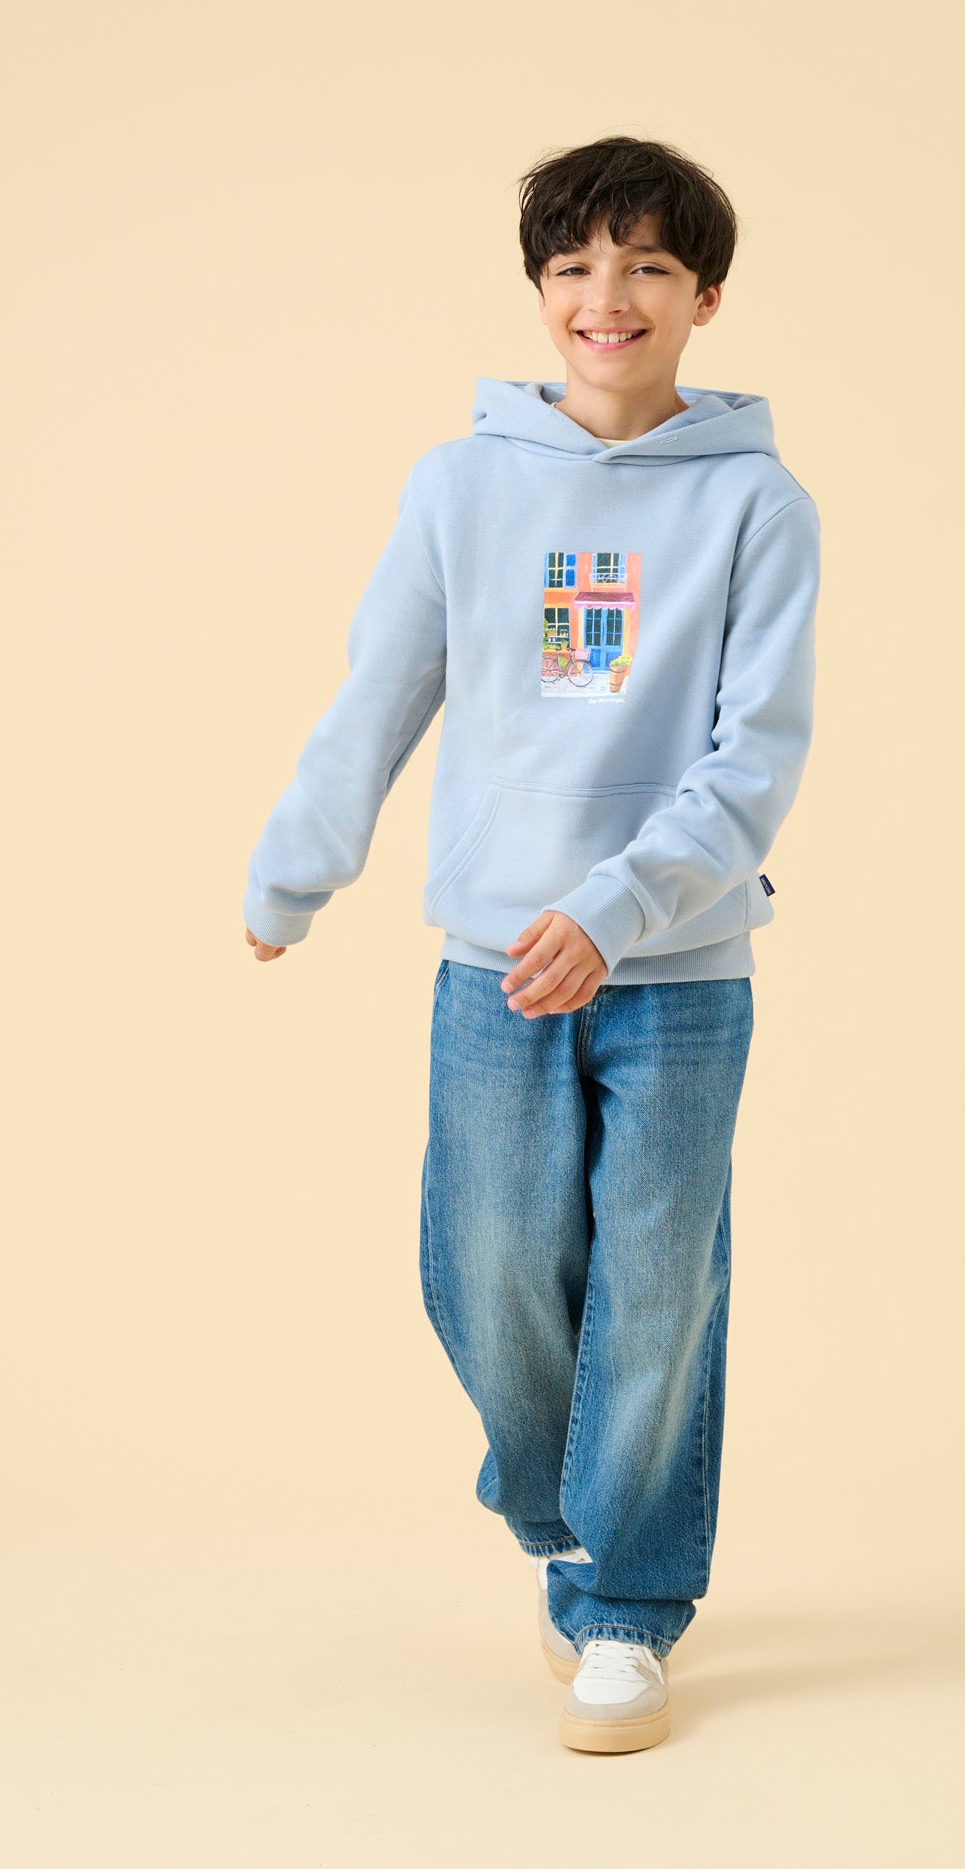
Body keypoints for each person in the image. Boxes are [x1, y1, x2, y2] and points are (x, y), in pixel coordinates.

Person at [242, 135, 821, 1753]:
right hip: (493, 959)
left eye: (647, 267)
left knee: (658, 1289)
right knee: (488, 1265)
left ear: (705, 298)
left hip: (681, 973)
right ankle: (567, 1503)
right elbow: (383, 689)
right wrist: (297, 870)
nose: (606, 296)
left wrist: (619, 907)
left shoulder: (759, 504)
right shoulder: (463, 486)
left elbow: (756, 758)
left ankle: (624, 1603)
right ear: (540, 292)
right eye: (574, 266)